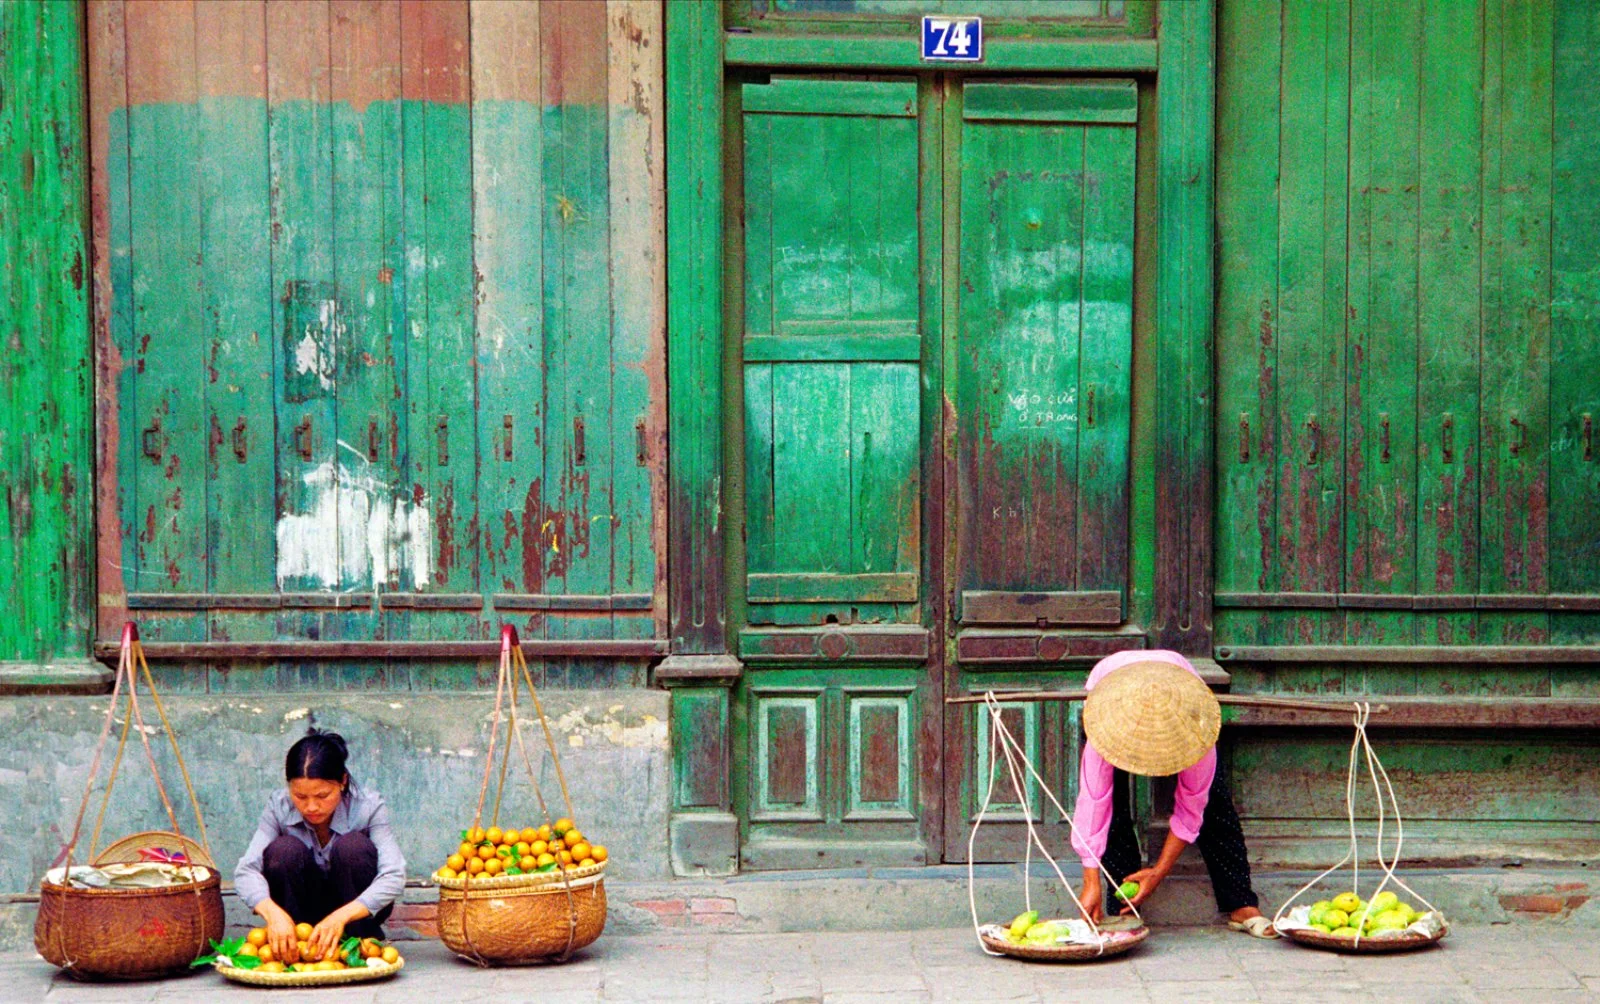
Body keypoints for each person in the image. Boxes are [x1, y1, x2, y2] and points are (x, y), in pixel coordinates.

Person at [1071, 650, 1277, 938]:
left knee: (1213, 801)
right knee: (1112, 809)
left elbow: (1192, 809)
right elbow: (1093, 804)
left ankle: (1240, 902)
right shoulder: (1106, 728)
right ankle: (1122, 906)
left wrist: (1158, 873)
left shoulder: (1195, 732)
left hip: (1178, 687)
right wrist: (1089, 879)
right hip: (1112, 687)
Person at [234, 729, 406, 963]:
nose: (311, 807)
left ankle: (360, 941)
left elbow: (394, 875)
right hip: (302, 912)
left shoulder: (368, 807)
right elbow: (246, 870)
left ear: (342, 782)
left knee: (353, 847)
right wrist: (272, 913)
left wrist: (341, 916)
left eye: (322, 796)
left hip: (353, 910)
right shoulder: (279, 807)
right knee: (283, 851)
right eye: (300, 797)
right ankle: (294, 945)